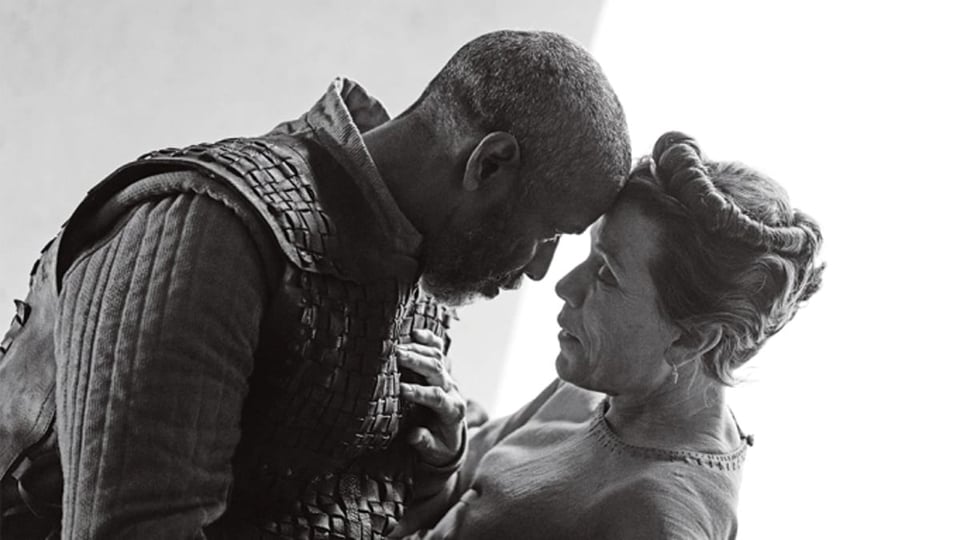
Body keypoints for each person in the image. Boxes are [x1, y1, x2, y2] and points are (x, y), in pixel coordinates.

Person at [0, 30, 631, 539]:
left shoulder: (404, 262)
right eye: (548, 231)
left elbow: (338, 503)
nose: (540, 269)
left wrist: (435, 465)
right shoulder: (210, 234)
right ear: (487, 163)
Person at [401, 132, 825, 539]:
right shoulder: (599, 383)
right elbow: (462, 502)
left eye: (607, 273)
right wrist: (448, 453)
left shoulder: (659, 521)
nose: (565, 286)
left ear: (690, 340)